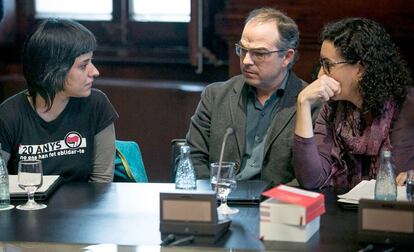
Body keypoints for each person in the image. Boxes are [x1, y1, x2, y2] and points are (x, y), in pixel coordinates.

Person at [186, 7, 320, 185]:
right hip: (221, 201)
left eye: (259, 53)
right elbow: (193, 158)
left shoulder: (311, 103)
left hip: (277, 207)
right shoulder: (215, 96)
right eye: (242, 50)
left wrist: (272, 204)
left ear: (287, 57)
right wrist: (213, 197)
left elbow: (311, 177)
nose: (247, 61)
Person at [293, 18, 414, 189]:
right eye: (321, 64)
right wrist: (303, 104)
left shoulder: (404, 107)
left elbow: (395, 182)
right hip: (342, 211)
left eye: (327, 65)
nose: (320, 75)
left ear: (360, 69)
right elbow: (311, 179)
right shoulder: (332, 107)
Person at [0, 19, 118, 182]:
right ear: (53, 70)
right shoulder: (9, 115)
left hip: (85, 206)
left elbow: (102, 182)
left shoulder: (97, 105)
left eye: (91, 61)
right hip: (28, 206)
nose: (95, 71)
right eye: (83, 66)